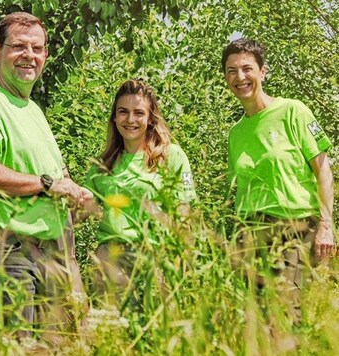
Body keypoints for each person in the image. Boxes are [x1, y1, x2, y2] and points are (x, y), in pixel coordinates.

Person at [0, 12, 91, 343]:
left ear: (45, 55)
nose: (29, 56)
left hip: (52, 255)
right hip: (8, 254)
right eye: (19, 47)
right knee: (16, 348)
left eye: (37, 48)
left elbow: (60, 180)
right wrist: (47, 184)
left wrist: (77, 197)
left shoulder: (34, 111)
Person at [223, 38, 334, 325]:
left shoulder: (293, 111)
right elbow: (240, 192)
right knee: (257, 322)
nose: (240, 77)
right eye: (231, 71)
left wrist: (326, 226)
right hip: (252, 235)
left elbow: (323, 170)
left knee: (286, 313)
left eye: (247, 68)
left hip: (295, 229)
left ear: (263, 72)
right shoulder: (236, 134)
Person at [82, 79, 196, 307]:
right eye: (123, 112)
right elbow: (82, 211)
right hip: (110, 259)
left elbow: (183, 211)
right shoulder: (103, 164)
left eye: (139, 113)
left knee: (153, 335)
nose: (130, 120)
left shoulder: (170, 156)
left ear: (150, 118)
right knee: (110, 335)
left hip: (154, 257)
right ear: (114, 117)